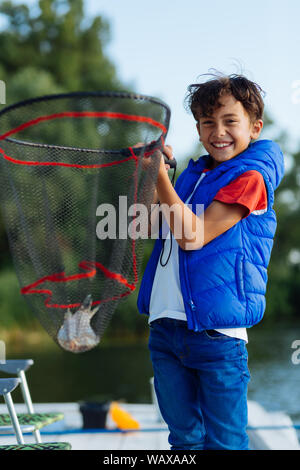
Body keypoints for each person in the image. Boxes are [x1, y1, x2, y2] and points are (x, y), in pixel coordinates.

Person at [137, 73, 285, 450]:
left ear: (254, 127)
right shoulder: (193, 174)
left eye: (229, 121)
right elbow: (146, 225)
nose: (217, 131)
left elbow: (193, 235)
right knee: (184, 441)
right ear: (199, 129)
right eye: (207, 122)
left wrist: (160, 181)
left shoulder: (250, 178)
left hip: (217, 337)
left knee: (225, 444)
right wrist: (158, 175)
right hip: (166, 329)